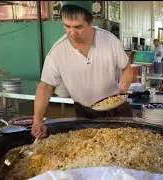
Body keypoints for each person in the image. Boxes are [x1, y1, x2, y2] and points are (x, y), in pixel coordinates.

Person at [31, 1, 133, 138]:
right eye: (67, 26)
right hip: (85, 113)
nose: (72, 33)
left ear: (91, 23)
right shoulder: (57, 52)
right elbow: (45, 86)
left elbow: (126, 68)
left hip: (116, 109)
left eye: (78, 27)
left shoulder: (110, 41)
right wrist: (37, 119)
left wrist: (123, 88)